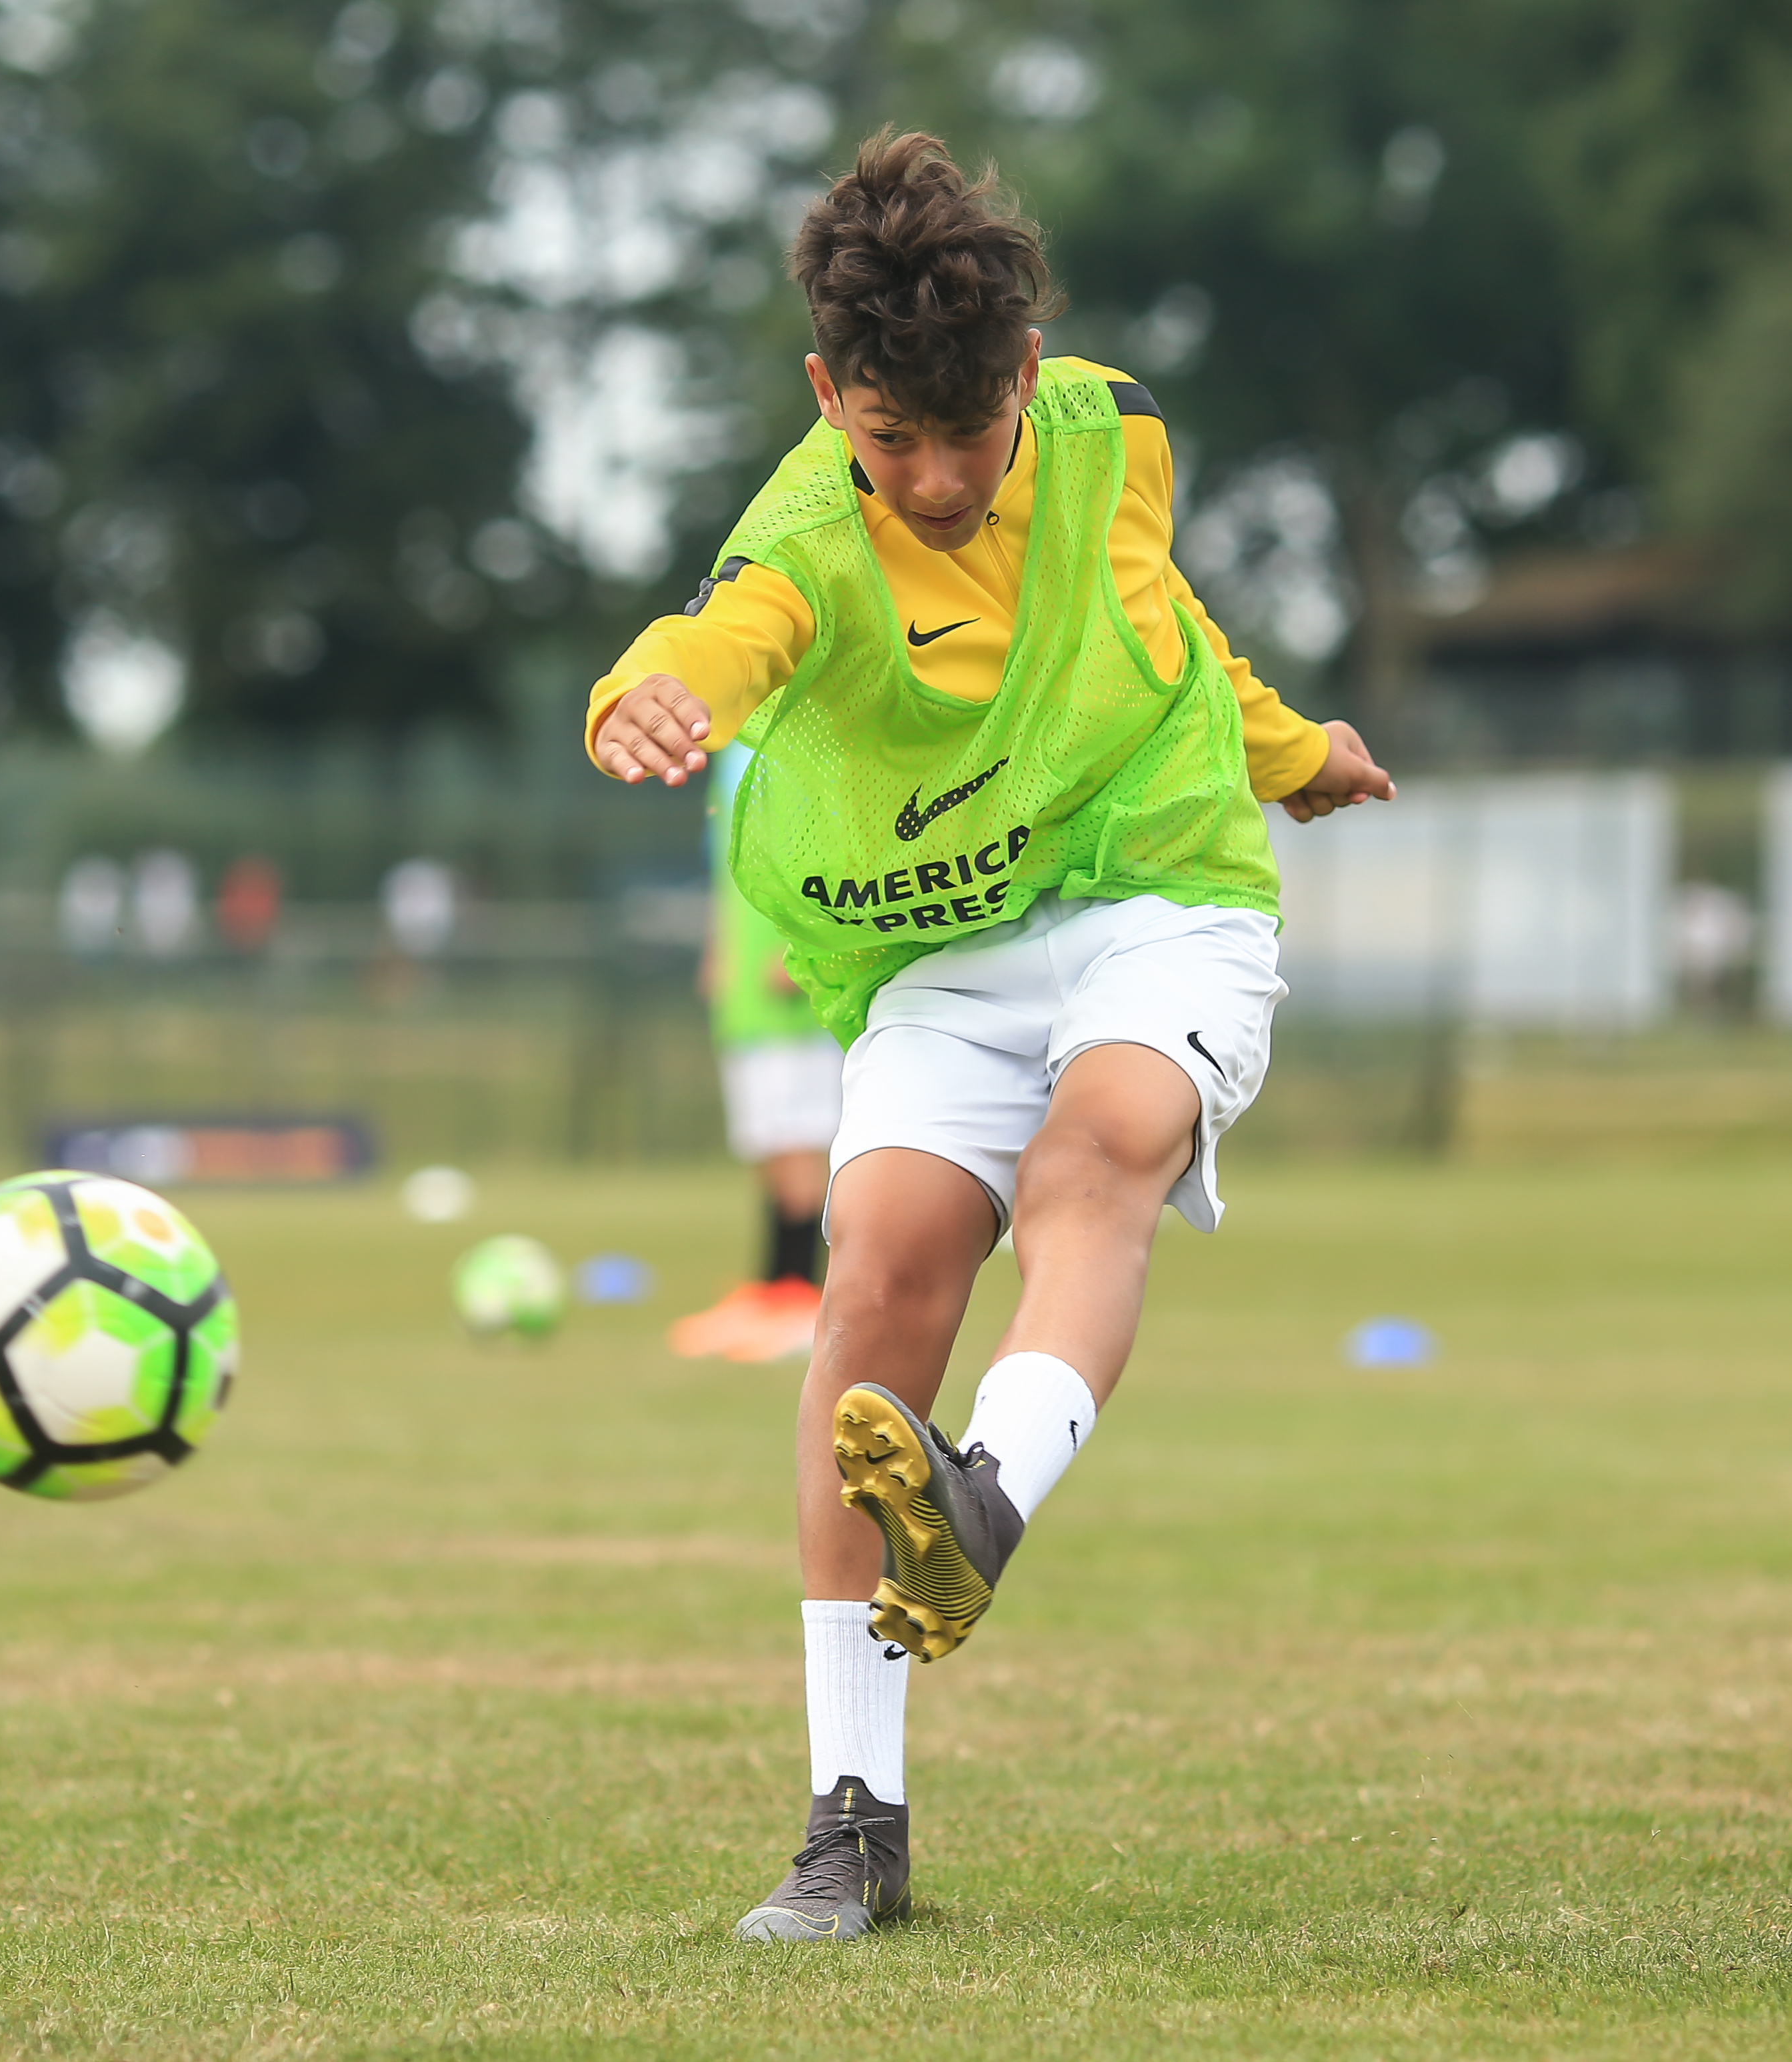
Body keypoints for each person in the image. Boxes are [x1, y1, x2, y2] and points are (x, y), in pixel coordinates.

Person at [585, 130, 1393, 1945]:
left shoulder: (1112, 429)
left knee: (1095, 1149)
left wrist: (1287, 755)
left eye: (971, 434)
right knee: (872, 1278)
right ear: (827, 395)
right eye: (891, 443)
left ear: (1025, 375)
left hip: (1157, 887)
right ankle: (847, 1823)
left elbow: (1153, 613)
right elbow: (729, 632)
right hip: (943, 935)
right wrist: (647, 694)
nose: (937, 480)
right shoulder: (808, 518)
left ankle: (985, 1493)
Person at [667, 739, 843, 1365]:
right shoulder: (733, 751)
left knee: (800, 1135)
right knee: (766, 1135)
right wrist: (721, 946)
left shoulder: (802, 741)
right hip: (744, 981)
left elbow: (833, 841)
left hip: (788, 975)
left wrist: (800, 942)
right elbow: (728, 861)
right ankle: (774, 1286)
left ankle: (805, 1294)